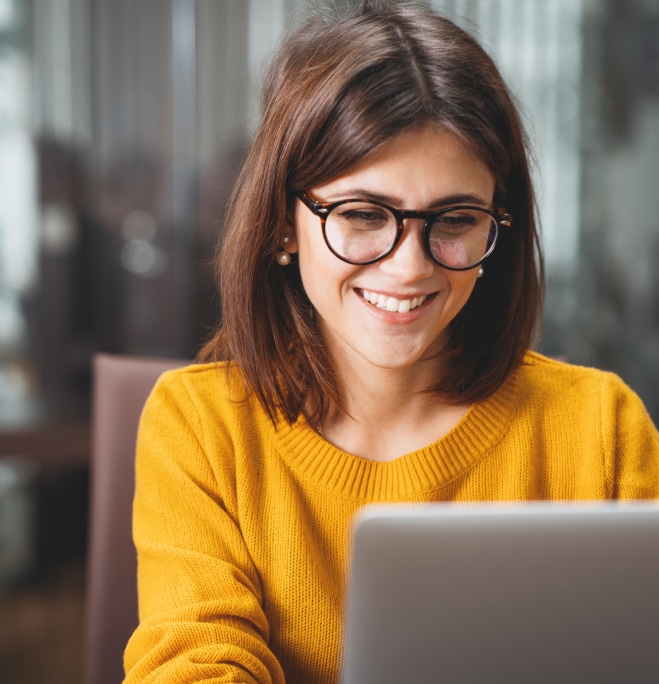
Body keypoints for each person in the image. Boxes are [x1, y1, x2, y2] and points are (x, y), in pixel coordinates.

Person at [122, 1, 659, 682]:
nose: (409, 266)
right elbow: (191, 663)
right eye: (362, 214)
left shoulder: (600, 429)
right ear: (283, 224)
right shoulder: (201, 427)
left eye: (455, 218)